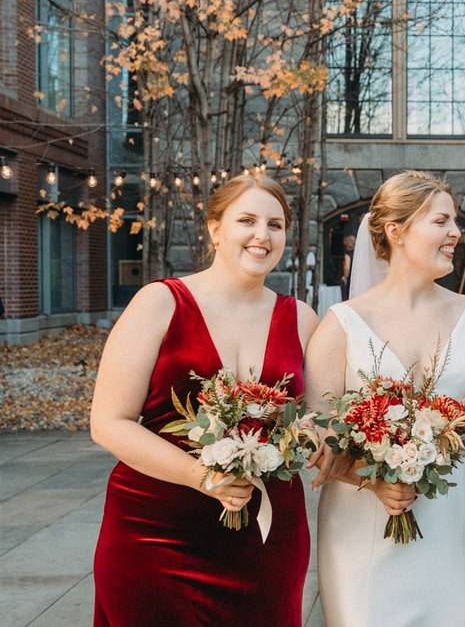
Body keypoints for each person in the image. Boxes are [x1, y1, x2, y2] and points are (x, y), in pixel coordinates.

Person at [90, 175, 339, 626]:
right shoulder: (159, 303)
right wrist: (199, 474)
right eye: (247, 220)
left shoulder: (301, 318)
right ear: (215, 228)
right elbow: (108, 421)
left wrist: (318, 440)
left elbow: (319, 418)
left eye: (276, 224)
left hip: (264, 537)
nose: (262, 235)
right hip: (156, 533)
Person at [306, 171, 465, 627]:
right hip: (362, 517)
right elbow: (320, 438)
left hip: (456, 511)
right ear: (396, 231)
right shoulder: (340, 324)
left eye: (454, 223)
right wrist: (373, 479)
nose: (456, 233)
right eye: (441, 221)